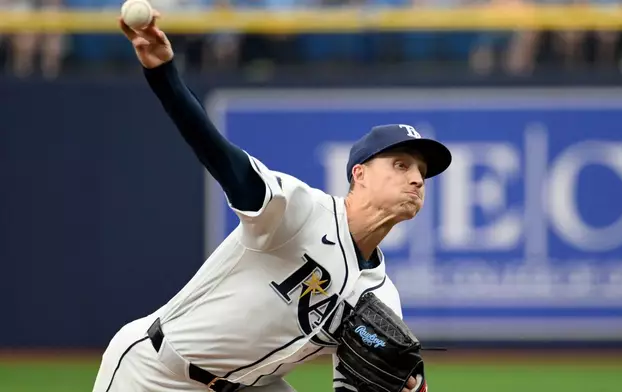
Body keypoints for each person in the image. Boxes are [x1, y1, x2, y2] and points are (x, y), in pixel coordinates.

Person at [92, 10, 452, 392]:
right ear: (358, 174)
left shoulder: (380, 294)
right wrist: (164, 75)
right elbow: (218, 154)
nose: (416, 178)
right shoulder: (299, 212)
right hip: (157, 371)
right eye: (400, 164)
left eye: (421, 172)